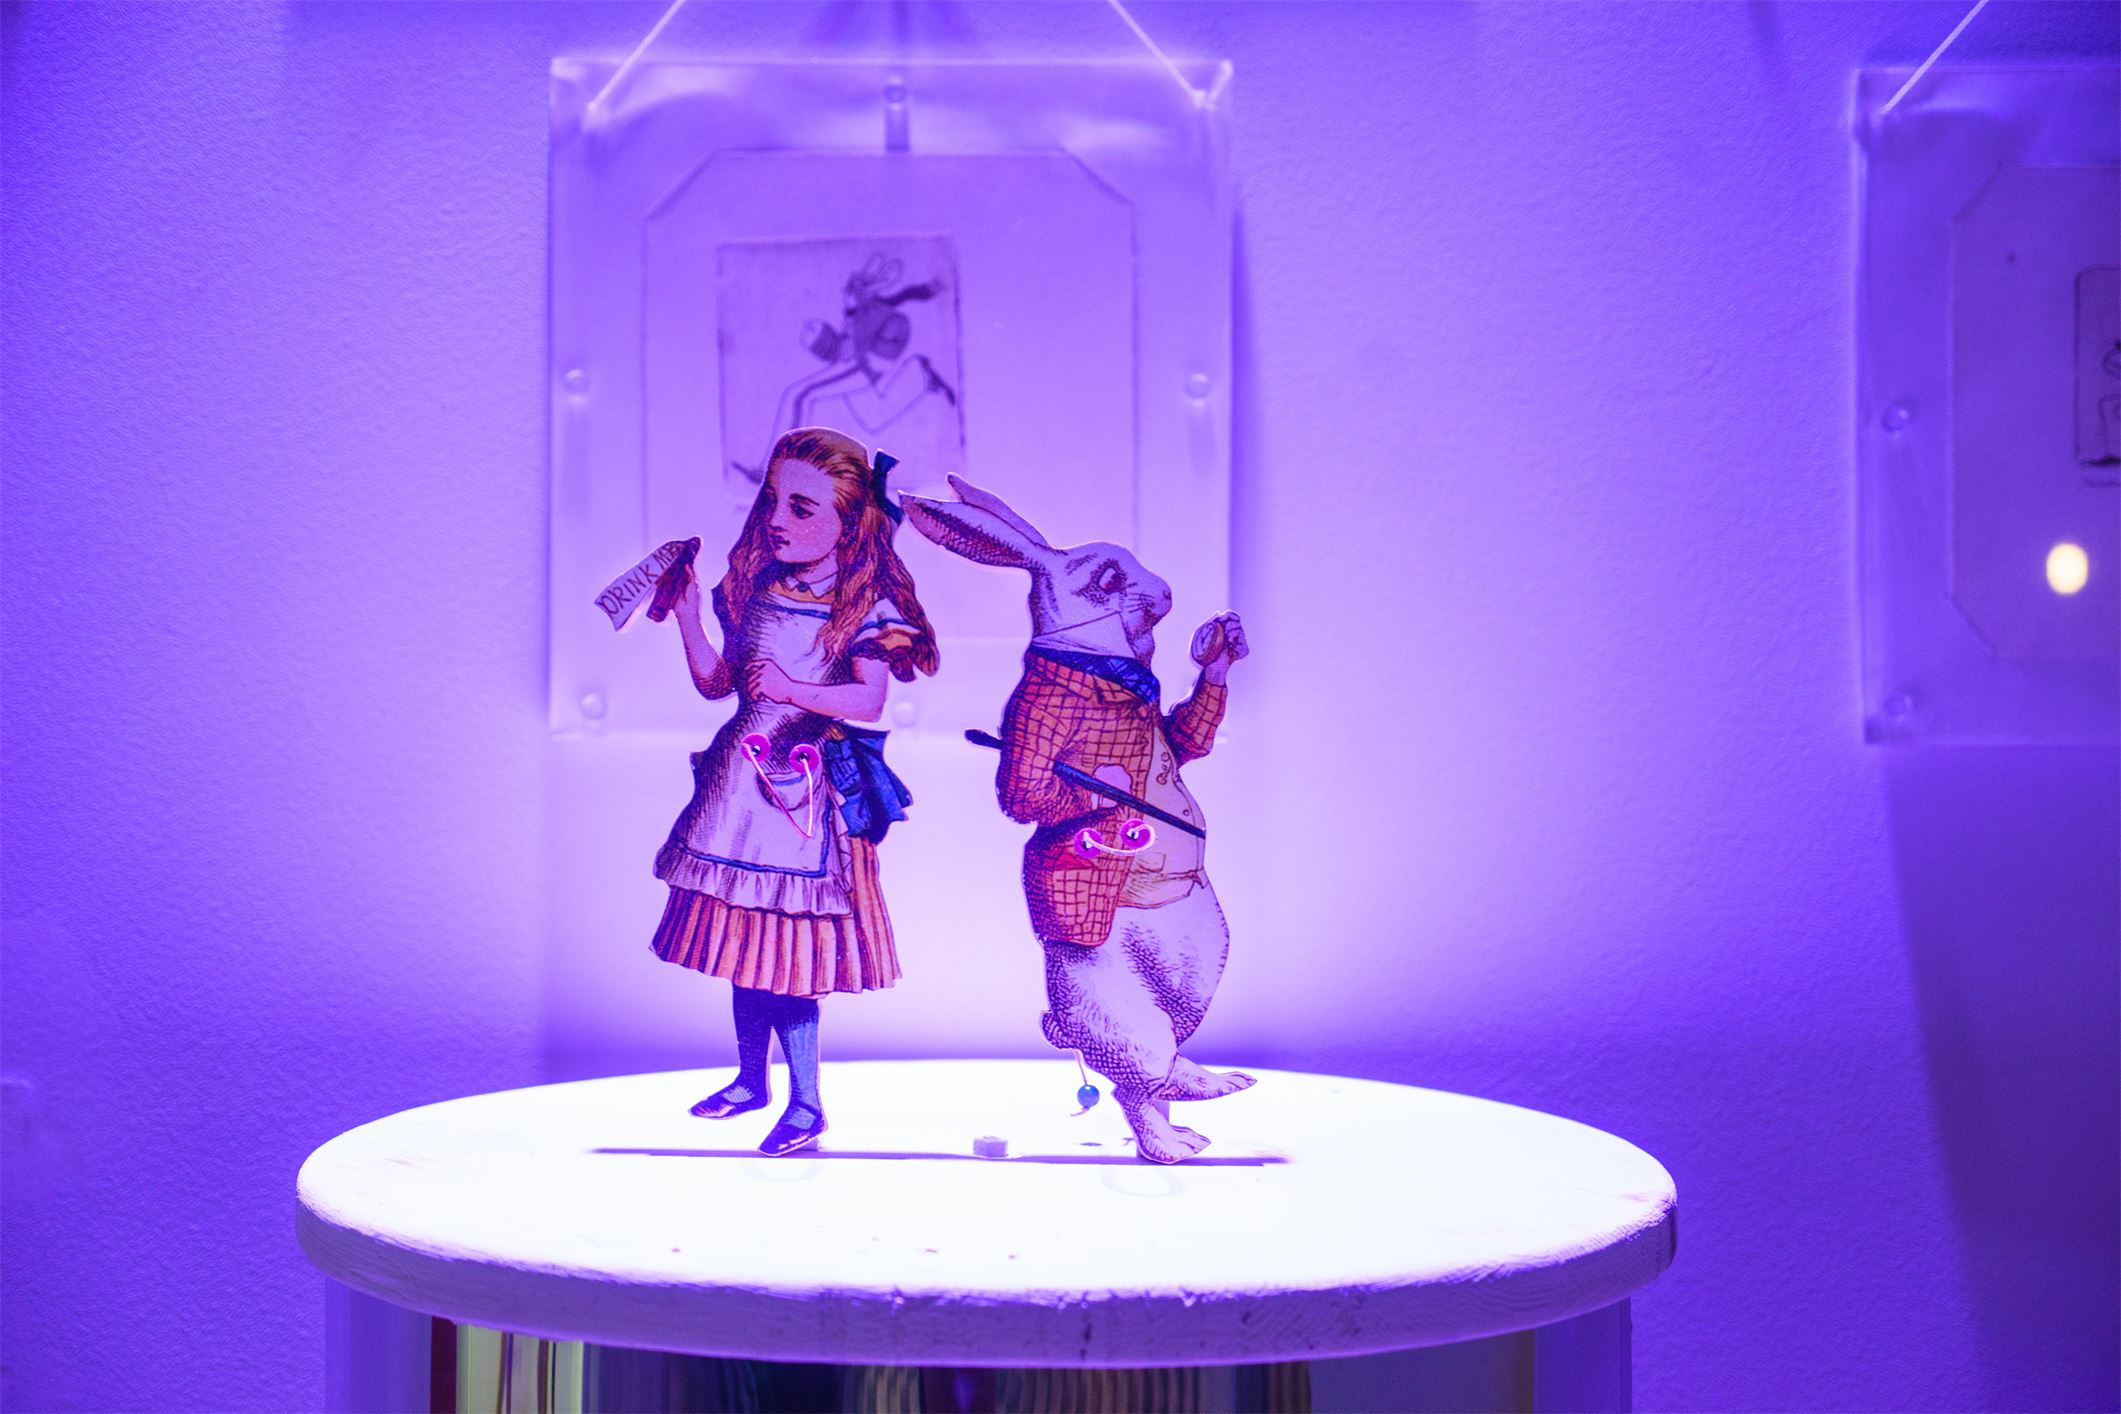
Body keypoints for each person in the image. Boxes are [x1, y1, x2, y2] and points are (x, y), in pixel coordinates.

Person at [653, 427, 938, 1155]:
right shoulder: (757, 589)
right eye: (774, 501)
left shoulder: (864, 603)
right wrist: (687, 615)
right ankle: (752, 1081)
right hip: (736, 792)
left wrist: (790, 689)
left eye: (802, 507)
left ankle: (807, 1104)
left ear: (849, 519)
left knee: (790, 962)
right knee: (744, 948)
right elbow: (719, 684)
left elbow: (869, 700)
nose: (778, 519)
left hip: (804, 799)